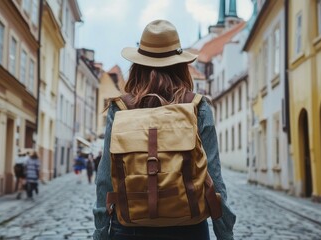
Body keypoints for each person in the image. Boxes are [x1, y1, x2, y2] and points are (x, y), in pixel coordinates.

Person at [93, 20, 236, 240]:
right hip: (189, 227)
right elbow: (214, 178)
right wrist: (224, 234)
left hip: (129, 227)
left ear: (138, 65)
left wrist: (101, 232)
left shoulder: (120, 108)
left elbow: (105, 179)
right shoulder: (197, 106)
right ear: (180, 65)